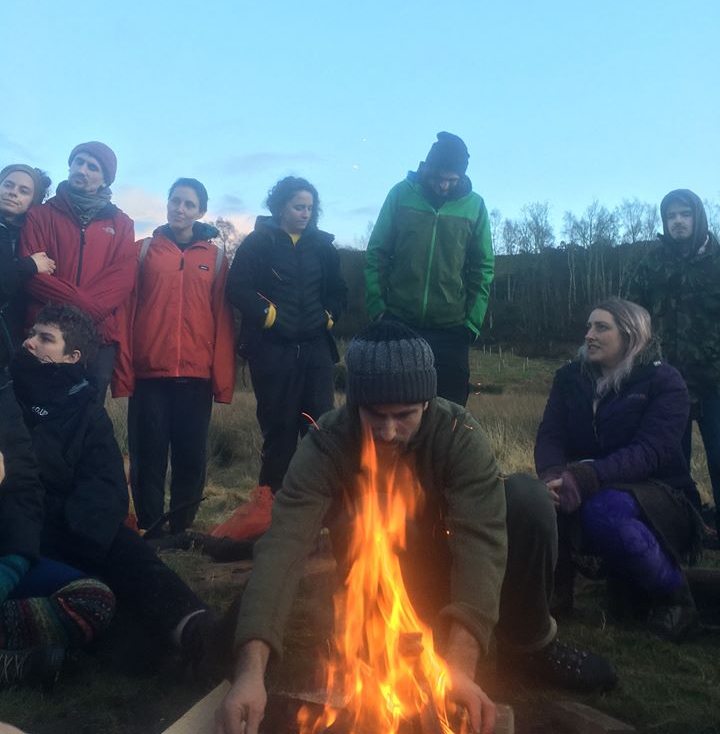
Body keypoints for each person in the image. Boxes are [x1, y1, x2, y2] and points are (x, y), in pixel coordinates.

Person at [215, 320, 616, 734]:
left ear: (427, 402)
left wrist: (459, 667)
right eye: (375, 416)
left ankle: (531, 643)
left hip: (447, 563)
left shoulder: (459, 434)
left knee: (528, 499)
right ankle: (377, 634)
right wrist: (251, 672)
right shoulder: (327, 442)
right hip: (375, 581)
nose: (389, 432)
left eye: (404, 415)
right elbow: (282, 547)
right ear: (355, 406)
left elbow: (481, 544)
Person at [9, 303, 217, 671]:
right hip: (18, 530)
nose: (30, 343)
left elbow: (106, 484)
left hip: (73, 530)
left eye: (45, 339)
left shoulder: (87, 411)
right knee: (104, 604)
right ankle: (157, 657)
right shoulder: (7, 394)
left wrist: (83, 539)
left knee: (124, 548)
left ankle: (196, 628)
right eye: (31, 334)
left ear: (72, 356)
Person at [535, 298, 702, 641]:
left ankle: (675, 598)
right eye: (588, 327)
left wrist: (587, 476)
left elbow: (651, 452)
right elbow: (551, 435)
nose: (589, 335)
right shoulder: (569, 378)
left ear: (630, 335)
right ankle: (555, 594)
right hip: (585, 480)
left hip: (657, 490)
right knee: (536, 499)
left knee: (604, 509)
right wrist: (552, 474)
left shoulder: (663, 381)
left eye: (601, 327)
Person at [113, 178, 236, 535]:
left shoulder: (215, 258)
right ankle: (152, 528)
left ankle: (182, 529)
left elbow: (223, 319)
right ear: (167, 203)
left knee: (190, 457)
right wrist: (124, 372)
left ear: (200, 211)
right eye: (175, 201)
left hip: (196, 376)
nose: (180, 209)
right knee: (147, 456)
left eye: (189, 204)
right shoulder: (143, 251)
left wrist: (222, 380)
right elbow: (126, 312)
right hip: (149, 374)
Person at [226, 176, 347, 496]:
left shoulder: (323, 247)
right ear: (280, 207)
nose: (305, 213)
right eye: (298, 207)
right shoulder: (258, 243)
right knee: (278, 434)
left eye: (309, 208)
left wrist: (329, 317)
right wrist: (267, 314)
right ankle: (270, 508)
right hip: (271, 352)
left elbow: (339, 291)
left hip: (316, 350)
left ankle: (320, 505)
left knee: (320, 430)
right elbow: (236, 287)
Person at [364, 132, 494, 406]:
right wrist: (378, 308)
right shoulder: (400, 194)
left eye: (452, 180)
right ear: (426, 167)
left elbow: (482, 267)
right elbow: (377, 252)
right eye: (438, 178)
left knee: (449, 413)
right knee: (394, 405)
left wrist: (472, 323)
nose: (443, 185)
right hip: (399, 322)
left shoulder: (475, 206)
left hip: (452, 329)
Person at [0, 379, 115, 688]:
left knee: (93, 600)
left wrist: (10, 567)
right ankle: (11, 666)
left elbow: (24, 486)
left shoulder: (2, 392)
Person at [628, 189, 720, 536]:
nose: (678, 221)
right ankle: (684, 528)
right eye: (671, 216)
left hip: (715, 382)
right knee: (671, 460)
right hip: (666, 382)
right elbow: (630, 317)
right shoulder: (651, 265)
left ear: (698, 217)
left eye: (685, 214)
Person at [18, 142, 136, 401]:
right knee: (38, 412)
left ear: (105, 180)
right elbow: (34, 277)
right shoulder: (40, 215)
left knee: (88, 415)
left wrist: (82, 311)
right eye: (78, 162)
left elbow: (122, 279)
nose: (82, 169)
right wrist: (85, 307)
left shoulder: (122, 224)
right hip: (45, 333)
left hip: (98, 339)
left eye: (92, 167)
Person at [0, 165, 54, 382]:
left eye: (23, 191)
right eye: (8, 185)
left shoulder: (29, 235)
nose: (12, 192)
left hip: (14, 339)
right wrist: (29, 265)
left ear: (34, 200)